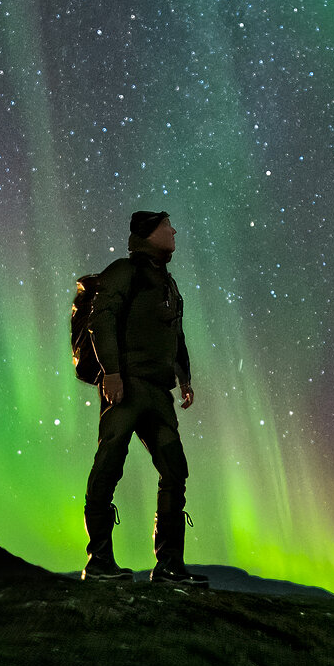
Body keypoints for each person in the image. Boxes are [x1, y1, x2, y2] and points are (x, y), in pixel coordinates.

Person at [81, 210, 208, 586]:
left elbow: (175, 335)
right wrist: (113, 372)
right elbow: (100, 319)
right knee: (108, 466)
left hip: (157, 393)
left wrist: (184, 378)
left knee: (175, 471)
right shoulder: (125, 271)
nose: (174, 231)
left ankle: (169, 565)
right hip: (127, 388)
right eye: (167, 226)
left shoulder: (167, 283)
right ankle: (99, 560)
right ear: (149, 233)